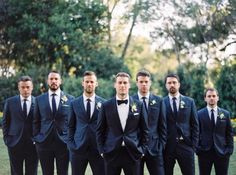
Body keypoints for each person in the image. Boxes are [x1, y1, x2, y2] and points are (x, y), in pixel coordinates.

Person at [96, 72, 149, 175]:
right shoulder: (106, 106)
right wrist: (101, 150)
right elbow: (100, 130)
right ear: (115, 85)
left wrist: (142, 150)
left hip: (132, 152)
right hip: (111, 152)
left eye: (125, 83)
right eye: (119, 83)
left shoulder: (139, 105)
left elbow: (145, 130)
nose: (122, 85)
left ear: (129, 85)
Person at [33, 71, 74, 175]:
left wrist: (70, 139)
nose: (53, 81)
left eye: (56, 79)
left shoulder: (70, 99)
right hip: (44, 143)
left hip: (63, 144)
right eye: (51, 79)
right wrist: (37, 138)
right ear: (47, 81)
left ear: (60, 81)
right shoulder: (39, 99)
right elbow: (35, 121)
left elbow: (72, 122)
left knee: (63, 172)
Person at [67, 71, 105, 175]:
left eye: (92, 82)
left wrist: (103, 147)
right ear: (82, 83)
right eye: (87, 81)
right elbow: (70, 126)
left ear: (96, 84)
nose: (89, 84)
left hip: (97, 150)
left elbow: (106, 127)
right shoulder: (74, 103)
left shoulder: (104, 103)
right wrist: (71, 146)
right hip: (78, 150)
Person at [163, 73, 199, 175]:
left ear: (179, 84)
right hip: (167, 147)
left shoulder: (189, 102)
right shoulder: (161, 103)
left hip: (186, 146)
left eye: (174, 82)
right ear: (166, 85)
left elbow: (195, 125)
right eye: (169, 83)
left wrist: (193, 146)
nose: (172, 85)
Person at [132, 70, 166, 175]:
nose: (144, 84)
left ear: (150, 83)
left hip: (155, 148)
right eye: (141, 81)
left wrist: (161, 146)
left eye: (146, 81)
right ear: (136, 83)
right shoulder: (130, 100)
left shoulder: (159, 101)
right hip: (136, 148)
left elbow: (163, 125)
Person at [2, 76, 38, 175]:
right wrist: (7, 139)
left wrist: (39, 139)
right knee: (16, 172)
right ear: (19, 88)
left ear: (32, 87)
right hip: (14, 143)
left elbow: (42, 123)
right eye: (22, 87)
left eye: (27, 87)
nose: (25, 90)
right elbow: (5, 122)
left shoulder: (38, 102)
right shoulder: (10, 102)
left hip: (33, 145)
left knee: (32, 172)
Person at [197, 87, 234, 175]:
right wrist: (198, 149)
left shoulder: (225, 114)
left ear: (218, 98)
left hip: (222, 152)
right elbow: (196, 132)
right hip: (204, 153)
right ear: (205, 98)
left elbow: (229, 134)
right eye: (209, 96)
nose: (212, 98)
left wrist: (229, 150)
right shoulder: (199, 114)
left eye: (214, 96)